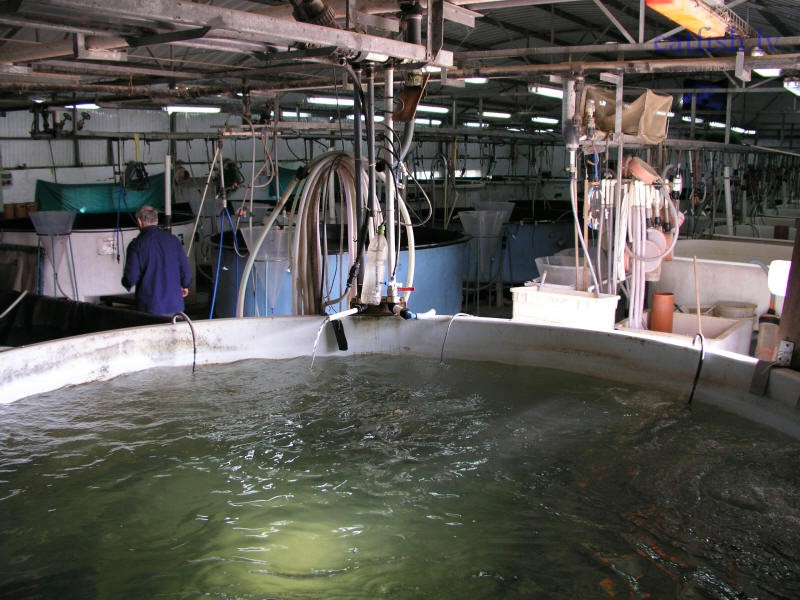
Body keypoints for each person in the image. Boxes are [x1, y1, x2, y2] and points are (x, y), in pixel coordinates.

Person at [122, 205, 192, 315]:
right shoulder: (173, 240)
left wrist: (126, 283)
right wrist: (185, 285)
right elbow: (185, 270)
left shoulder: (136, 245)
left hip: (150, 307)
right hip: (175, 306)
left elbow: (131, 277)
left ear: (139, 221)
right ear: (156, 220)